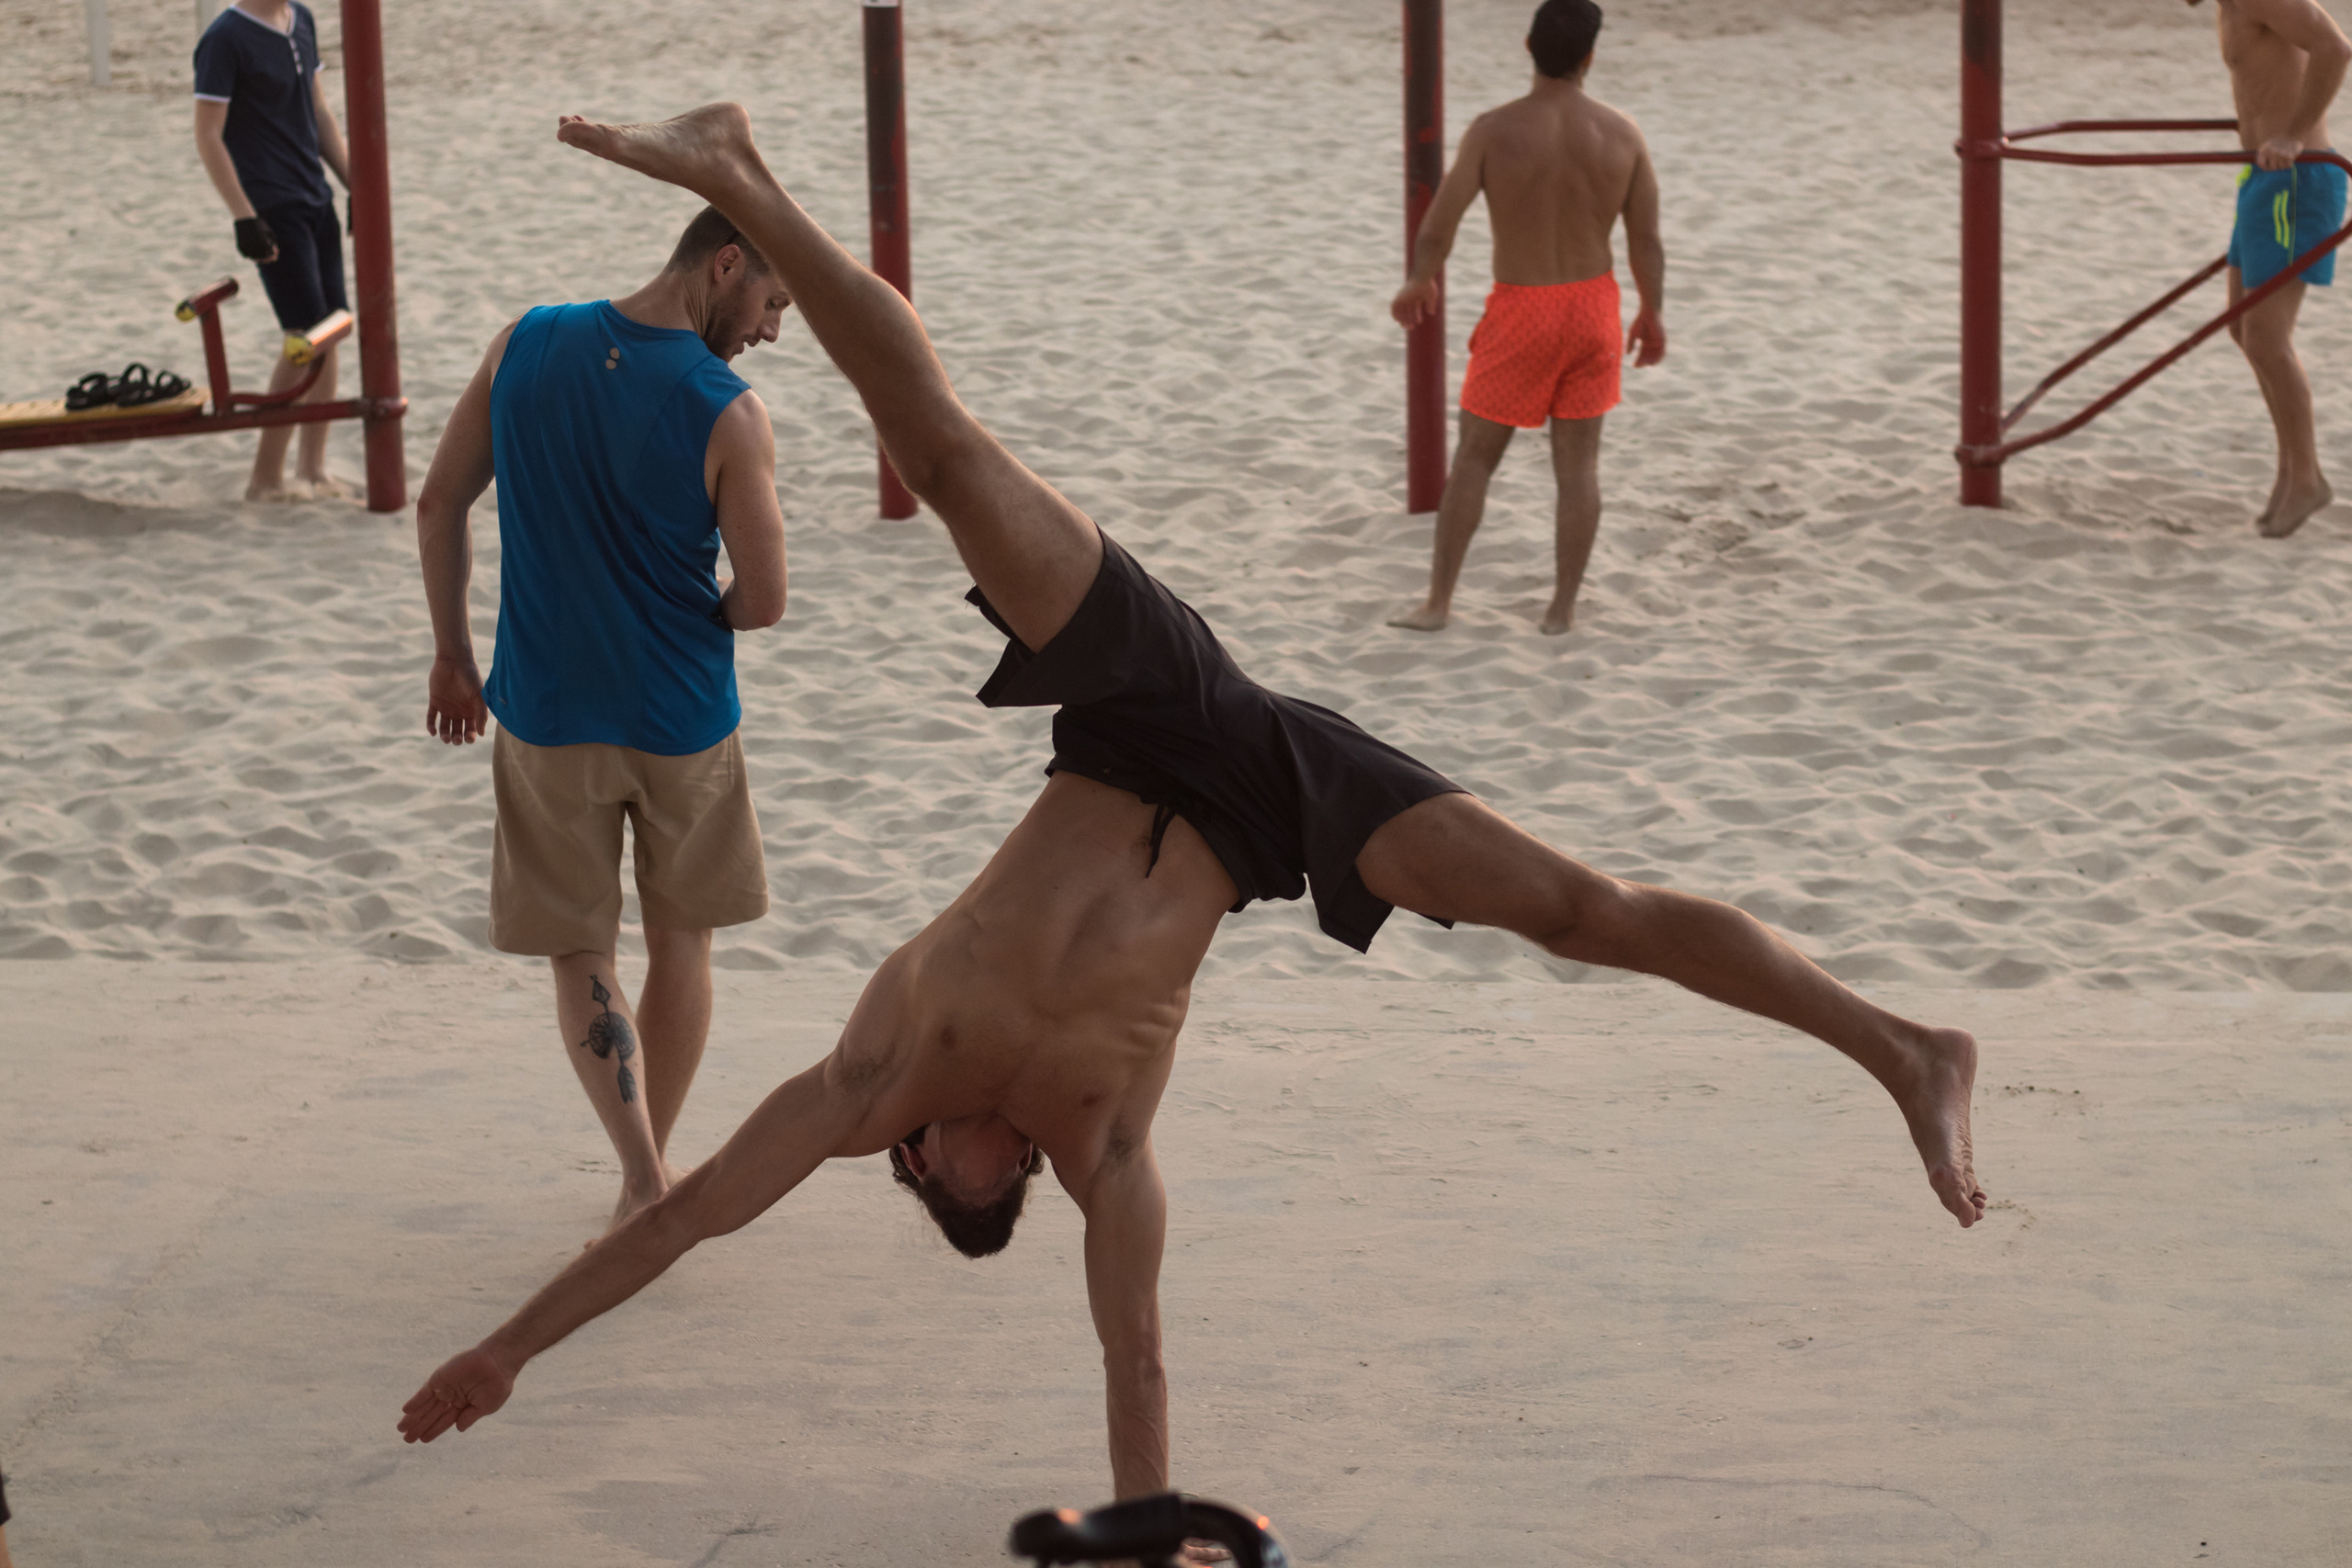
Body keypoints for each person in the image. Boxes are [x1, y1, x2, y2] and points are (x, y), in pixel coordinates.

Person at [399, 106, 1987, 1504]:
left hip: (1147, 706)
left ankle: (745, 172)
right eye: (990, 1193)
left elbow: (678, 1226)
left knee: (946, 460)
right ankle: (1913, 1044)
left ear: (912, 1157)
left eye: (952, 1184)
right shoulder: (1104, 1144)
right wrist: (1150, 1527)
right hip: (1270, 802)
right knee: (1586, 915)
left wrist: (509, 1342)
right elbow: (1136, 1365)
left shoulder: (878, 1074)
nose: (975, 1171)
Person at [414, 204, 792, 1236]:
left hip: (545, 711)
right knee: (683, 943)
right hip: (682, 718)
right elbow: (762, 600)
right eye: (770, 301)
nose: (770, 329)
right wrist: (691, 614)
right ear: (724, 267)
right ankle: (648, 1184)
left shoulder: (524, 345)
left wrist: (453, 655)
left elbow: (439, 502)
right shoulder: (729, 410)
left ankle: (639, 1172)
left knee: (580, 951)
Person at [1387, 0, 1664, 636]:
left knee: (1476, 459)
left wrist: (1419, 279)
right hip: (1594, 306)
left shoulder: (1493, 130)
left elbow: (1441, 221)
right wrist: (1652, 310)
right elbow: (1646, 239)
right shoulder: (1622, 133)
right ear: (1590, 57)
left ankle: (1438, 603)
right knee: (1579, 468)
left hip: (1522, 307)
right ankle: (1560, 611)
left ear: (1527, 45)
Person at [2192, 0, 2350, 537]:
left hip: (2297, 179)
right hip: (2263, 179)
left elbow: (2335, 45)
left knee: (2266, 338)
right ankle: (2291, 476)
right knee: (2243, 329)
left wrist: (2294, 133)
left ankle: (2307, 478)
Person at [192, 0, 356, 502]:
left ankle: (312, 468)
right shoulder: (225, 38)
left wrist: (358, 186)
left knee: (331, 329)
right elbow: (208, 135)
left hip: (315, 197)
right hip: (271, 206)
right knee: (303, 339)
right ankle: (265, 478)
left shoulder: (300, 19)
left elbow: (320, 111)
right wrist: (244, 216)